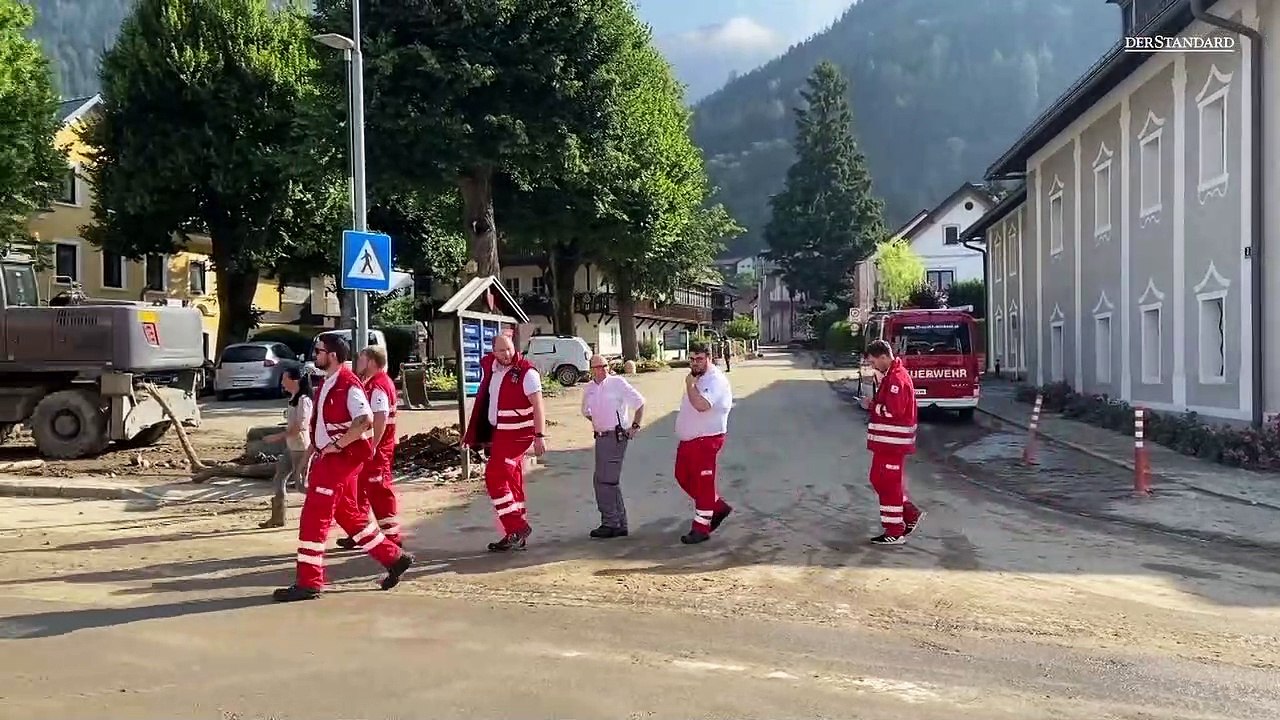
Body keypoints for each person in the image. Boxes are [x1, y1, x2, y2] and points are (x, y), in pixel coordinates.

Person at [272, 335, 413, 602]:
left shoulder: (348, 384)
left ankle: (309, 582)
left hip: (341, 460)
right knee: (349, 515)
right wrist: (316, 451)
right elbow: (324, 426)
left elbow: (365, 420)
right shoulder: (330, 382)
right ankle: (394, 558)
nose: (315, 355)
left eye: (319, 351)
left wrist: (338, 445)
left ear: (333, 355)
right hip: (333, 459)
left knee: (314, 518)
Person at [462, 333, 547, 552]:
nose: (507, 354)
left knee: (494, 478)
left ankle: (517, 526)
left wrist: (540, 436)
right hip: (500, 434)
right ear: (493, 352)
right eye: (501, 351)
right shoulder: (493, 367)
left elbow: (538, 406)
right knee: (512, 484)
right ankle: (515, 535)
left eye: (509, 349)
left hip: (516, 436)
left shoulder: (527, 373)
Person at [858, 339, 925, 545]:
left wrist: (871, 405)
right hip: (886, 443)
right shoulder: (891, 376)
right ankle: (907, 514)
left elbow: (893, 411)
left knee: (889, 483)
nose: (873, 366)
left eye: (874, 362)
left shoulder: (897, 379)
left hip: (893, 443)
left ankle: (895, 530)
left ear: (884, 357)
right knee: (879, 479)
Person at [336, 346, 402, 549]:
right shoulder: (375, 383)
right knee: (362, 490)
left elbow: (380, 418)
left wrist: (373, 446)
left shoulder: (378, 385)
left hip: (377, 450)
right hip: (373, 448)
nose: (358, 364)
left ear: (372, 361)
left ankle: (392, 538)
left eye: (362, 360)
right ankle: (361, 533)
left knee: (379, 491)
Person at [672, 341, 734, 545]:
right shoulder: (697, 377)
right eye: (692, 359)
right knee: (682, 476)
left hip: (706, 439)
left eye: (699, 359)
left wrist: (689, 385)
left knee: (704, 483)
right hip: (689, 439)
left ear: (709, 358)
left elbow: (701, 405)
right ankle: (716, 507)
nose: (695, 363)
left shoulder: (714, 380)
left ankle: (701, 528)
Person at [580, 354, 646, 539]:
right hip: (601, 436)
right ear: (591, 369)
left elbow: (640, 403)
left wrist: (635, 426)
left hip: (616, 435)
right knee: (607, 481)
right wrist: (599, 422)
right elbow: (586, 411)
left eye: (604, 366)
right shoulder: (590, 388)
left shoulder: (618, 383)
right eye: (597, 367)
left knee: (605, 481)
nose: (601, 370)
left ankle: (611, 522)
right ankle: (618, 522)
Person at [259, 367, 313, 529]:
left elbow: (300, 427)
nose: (282, 382)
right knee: (279, 478)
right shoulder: (294, 398)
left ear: (295, 380)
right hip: (291, 447)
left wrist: (276, 437)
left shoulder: (304, 400)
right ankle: (277, 517)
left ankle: (330, 506)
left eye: (285, 378)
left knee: (302, 485)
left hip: (301, 448)